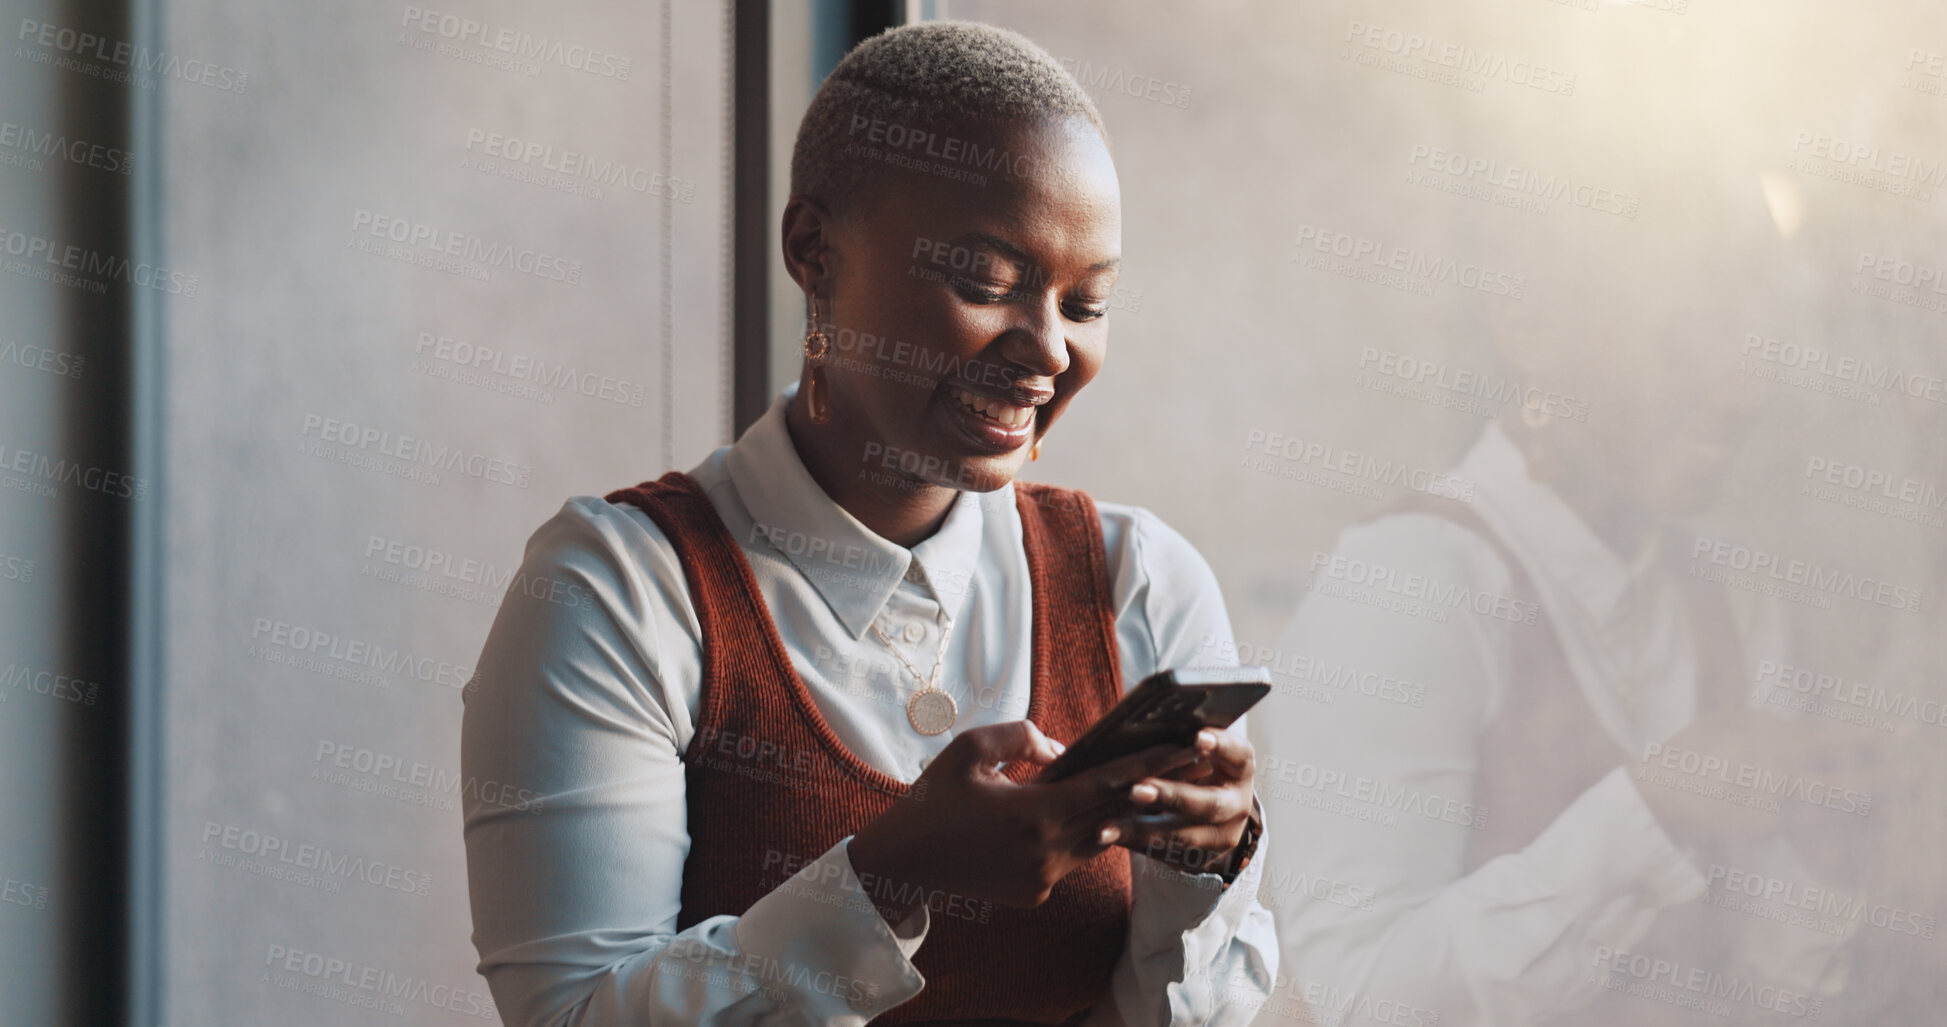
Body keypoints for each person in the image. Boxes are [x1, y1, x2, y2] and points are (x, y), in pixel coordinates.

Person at [460, 21, 1277, 1026]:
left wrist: (1206, 869)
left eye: (1087, 303)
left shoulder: (1137, 582)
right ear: (814, 251)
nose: (1048, 349)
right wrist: (886, 879)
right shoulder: (618, 592)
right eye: (984, 282)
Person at [1253, 225, 1870, 1026]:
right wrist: (1655, 808)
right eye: (1686, 339)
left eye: (1755, 344)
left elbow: (1773, 996)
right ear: (1530, 331)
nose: (1743, 391)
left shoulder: (1735, 600)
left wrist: (1823, 852)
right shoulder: (1410, 582)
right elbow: (1364, 1001)